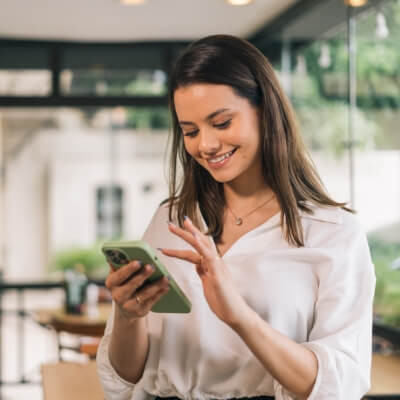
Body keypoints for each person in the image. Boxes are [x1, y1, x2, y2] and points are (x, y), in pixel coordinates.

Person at [96, 34, 376, 400]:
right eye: (191, 131)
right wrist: (128, 316)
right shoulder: (171, 219)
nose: (206, 145)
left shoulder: (333, 233)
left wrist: (239, 315)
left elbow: (339, 387)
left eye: (222, 123)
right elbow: (124, 380)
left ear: (265, 110)